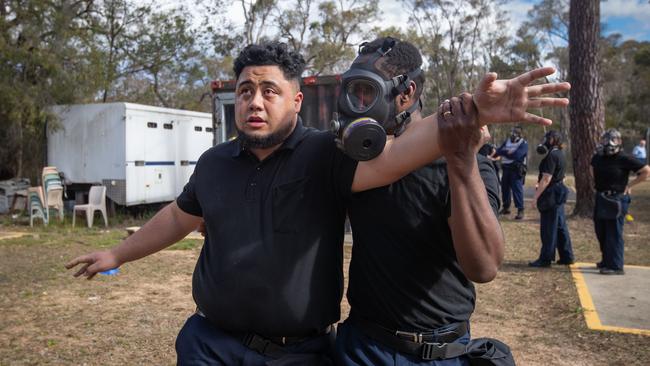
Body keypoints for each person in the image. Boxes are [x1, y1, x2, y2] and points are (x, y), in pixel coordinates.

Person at [65, 41, 570, 365]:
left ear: (297, 100)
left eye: (269, 90)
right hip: (217, 343)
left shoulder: (325, 155)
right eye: (244, 91)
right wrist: (117, 254)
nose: (254, 102)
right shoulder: (215, 162)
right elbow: (180, 215)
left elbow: (400, 157)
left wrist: (473, 114)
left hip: (304, 351)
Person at [335, 37, 562, 366]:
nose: (354, 103)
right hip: (362, 348)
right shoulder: (357, 163)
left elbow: (483, 267)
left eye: (365, 91)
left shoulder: (466, 162)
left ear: (407, 93)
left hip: (439, 352)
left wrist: (460, 161)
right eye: (350, 92)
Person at [592, 129, 650, 275]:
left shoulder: (623, 158)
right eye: (605, 139)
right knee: (601, 231)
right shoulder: (598, 157)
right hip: (601, 197)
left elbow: (645, 171)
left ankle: (616, 265)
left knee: (614, 232)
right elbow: (592, 168)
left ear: (619, 142)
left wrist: (629, 185)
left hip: (616, 198)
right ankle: (607, 260)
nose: (608, 142)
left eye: (613, 139)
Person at [528, 130, 574, 268]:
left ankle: (545, 259)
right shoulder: (560, 154)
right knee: (560, 226)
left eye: (547, 138)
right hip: (558, 191)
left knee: (549, 227)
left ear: (553, 139)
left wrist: (535, 197)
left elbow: (546, 178)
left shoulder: (552, 156)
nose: (545, 140)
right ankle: (567, 256)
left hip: (552, 194)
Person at [496, 126, 528, 220]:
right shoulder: (507, 141)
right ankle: (506, 208)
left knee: (517, 190)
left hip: (516, 169)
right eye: (512, 132)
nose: (513, 134)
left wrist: (505, 153)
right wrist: (507, 152)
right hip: (506, 169)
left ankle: (520, 210)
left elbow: (517, 155)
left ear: (519, 134)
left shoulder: (523, 143)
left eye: (515, 133)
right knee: (505, 189)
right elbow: (498, 151)